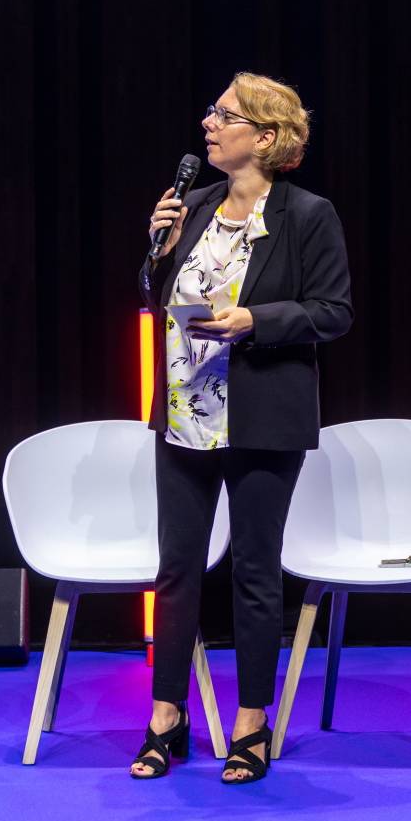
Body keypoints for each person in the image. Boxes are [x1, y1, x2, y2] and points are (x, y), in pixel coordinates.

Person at [133, 72, 352, 784]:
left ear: (265, 137)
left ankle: (251, 723)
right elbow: (157, 298)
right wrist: (158, 250)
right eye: (211, 112)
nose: (207, 123)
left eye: (222, 115)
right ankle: (167, 716)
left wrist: (256, 320)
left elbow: (334, 311)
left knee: (255, 571)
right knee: (176, 570)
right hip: (186, 411)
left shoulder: (308, 214)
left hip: (263, 415)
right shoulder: (193, 204)